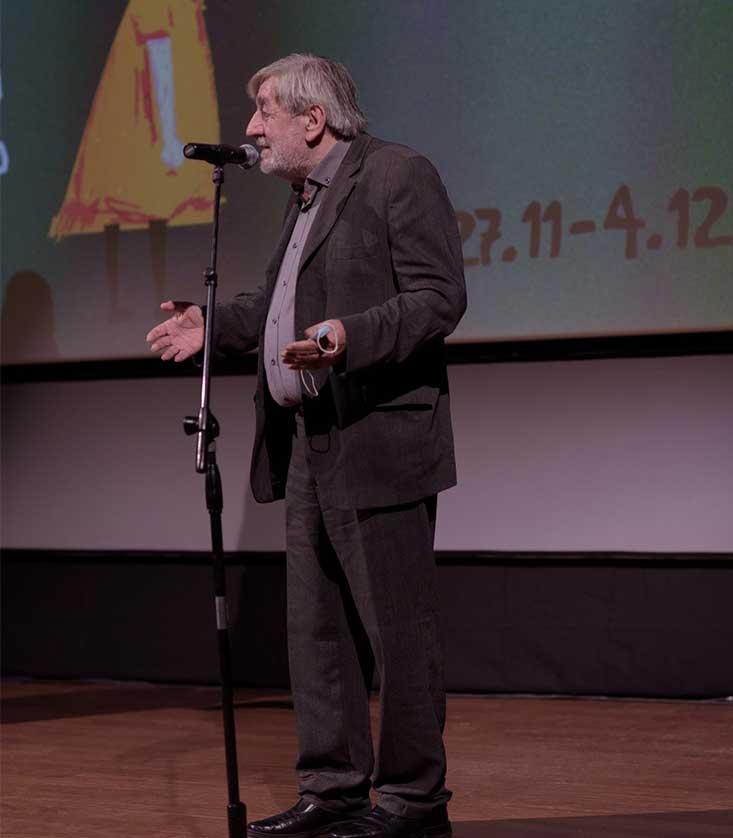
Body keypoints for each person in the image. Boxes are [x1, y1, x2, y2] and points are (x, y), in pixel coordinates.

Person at [146, 53, 466, 838]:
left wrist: (347, 336)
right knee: (317, 632)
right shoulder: (306, 199)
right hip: (306, 444)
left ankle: (413, 803)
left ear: (312, 119)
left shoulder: (395, 175)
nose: (251, 128)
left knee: (396, 633)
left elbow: (438, 298)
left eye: (264, 110)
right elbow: (278, 308)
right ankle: (334, 792)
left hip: (377, 439)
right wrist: (214, 323)